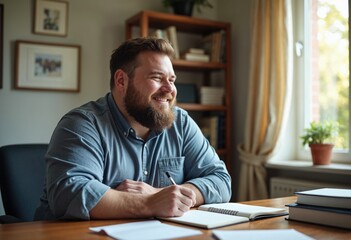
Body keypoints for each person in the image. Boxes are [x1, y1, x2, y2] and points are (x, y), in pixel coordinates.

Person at [34, 37, 231, 220]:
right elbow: (70, 194)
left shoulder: (181, 123)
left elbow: (221, 180)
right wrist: (149, 203)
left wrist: (162, 195)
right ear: (121, 81)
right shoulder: (82, 124)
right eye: (157, 77)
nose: (170, 89)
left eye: (171, 80)